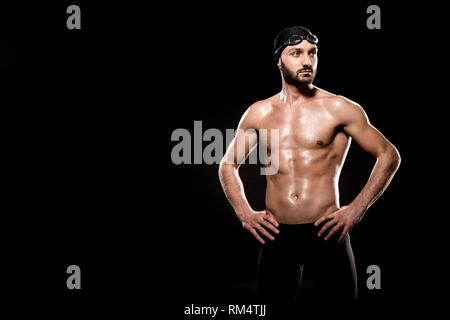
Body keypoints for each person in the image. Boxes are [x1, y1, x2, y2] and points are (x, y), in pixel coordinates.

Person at [218, 26, 401, 307]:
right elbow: (227, 164)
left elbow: (389, 154)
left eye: (312, 53)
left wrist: (356, 208)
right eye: (296, 53)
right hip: (276, 234)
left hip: (327, 231)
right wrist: (244, 213)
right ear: (279, 60)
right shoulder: (259, 112)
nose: (306, 61)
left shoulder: (339, 108)